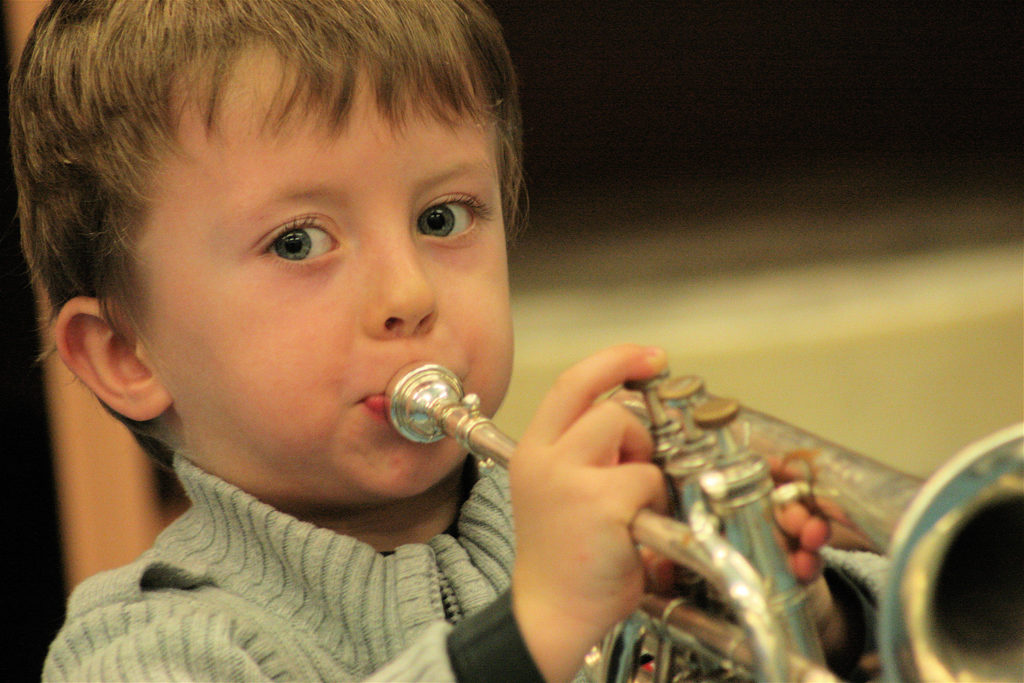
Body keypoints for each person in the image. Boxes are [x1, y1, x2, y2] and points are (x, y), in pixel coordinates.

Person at [12, 1, 884, 680]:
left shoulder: (605, 524)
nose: (408, 293)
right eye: (298, 241)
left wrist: (811, 611)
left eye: (442, 217)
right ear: (127, 354)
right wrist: (529, 634)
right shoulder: (143, 644)